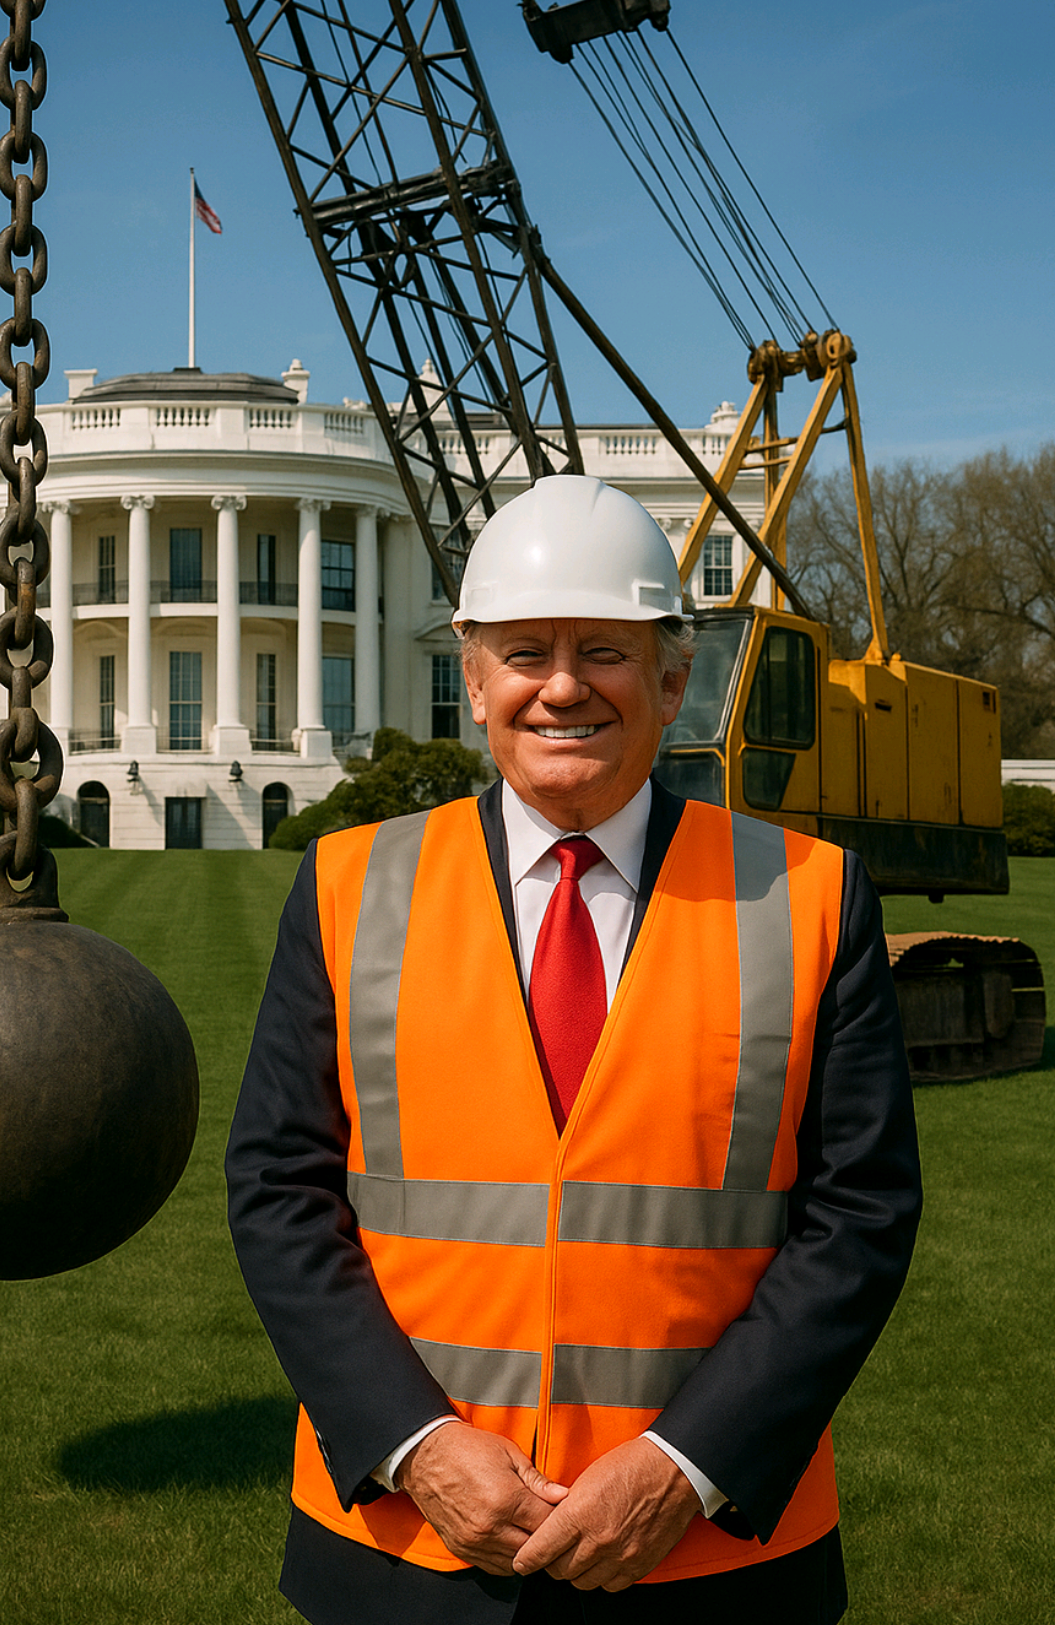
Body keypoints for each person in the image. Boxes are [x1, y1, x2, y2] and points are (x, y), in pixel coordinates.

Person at [227, 475, 921, 1624]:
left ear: (671, 678)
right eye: (523, 651)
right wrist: (418, 1444)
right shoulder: (350, 887)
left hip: (708, 1553)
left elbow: (859, 1215)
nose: (559, 686)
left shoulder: (809, 895)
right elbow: (278, 1189)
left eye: (602, 648)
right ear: (473, 676)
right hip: (405, 1550)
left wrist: (682, 1464)